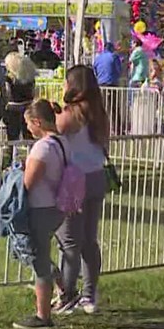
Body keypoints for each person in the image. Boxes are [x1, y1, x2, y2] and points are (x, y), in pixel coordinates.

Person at [54, 65, 110, 315]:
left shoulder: (73, 113)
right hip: (97, 176)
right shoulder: (98, 111)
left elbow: (54, 129)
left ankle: (67, 294)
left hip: (75, 179)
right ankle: (90, 294)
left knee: (70, 242)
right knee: (89, 240)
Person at [12, 100, 71, 329]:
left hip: (41, 206)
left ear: (37, 122)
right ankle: (63, 289)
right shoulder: (63, 142)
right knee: (42, 254)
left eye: (29, 124)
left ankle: (42, 315)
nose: (27, 129)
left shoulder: (42, 147)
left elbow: (29, 181)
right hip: (58, 206)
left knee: (38, 260)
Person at [3, 51, 37, 141]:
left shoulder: (9, 78)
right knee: (28, 135)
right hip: (27, 106)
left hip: (13, 108)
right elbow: (33, 92)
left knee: (12, 136)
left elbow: (8, 93)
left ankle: (12, 154)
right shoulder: (30, 77)